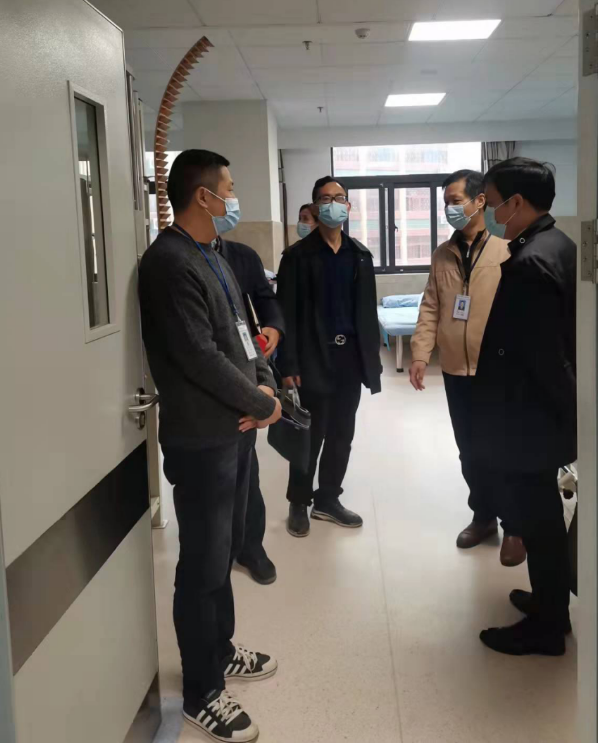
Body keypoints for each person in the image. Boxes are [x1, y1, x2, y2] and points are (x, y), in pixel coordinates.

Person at [138, 149, 282, 741]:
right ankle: (201, 690)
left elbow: (243, 333)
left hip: (236, 432)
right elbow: (199, 356)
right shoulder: (170, 263)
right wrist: (260, 403)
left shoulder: (214, 254)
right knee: (201, 563)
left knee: (222, 553)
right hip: (202, 441)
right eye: (230, 186)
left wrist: (266, 383)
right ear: (204, 196)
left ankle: (219, 651)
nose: (234, 196)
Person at [474, 157, 576, 656]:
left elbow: (544, 357)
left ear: (515, 202)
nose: (489, 213)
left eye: (492, 203)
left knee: (539, 520)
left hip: (530, 419)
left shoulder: (532, 263)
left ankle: (548, 629)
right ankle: (549, 603)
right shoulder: (559, 245)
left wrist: (572, 416)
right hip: (539, 416)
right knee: (543, 516)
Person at [410, 170, 526, 567]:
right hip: (456, 370)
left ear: (480, 202)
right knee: (470, 449)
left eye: (456, 201)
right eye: (446, 203)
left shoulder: (506, 252)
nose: (450, 209)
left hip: (497, 370)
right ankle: (483, 516)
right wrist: (420, 353)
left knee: (502, 448)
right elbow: (431, 305)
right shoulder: (442, 254)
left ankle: (515, 526)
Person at [277, 176, 382, 537]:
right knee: (309, 435)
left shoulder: (360, 256)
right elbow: (285, 315)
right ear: (315, 207)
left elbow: (367, 314)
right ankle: (298, 501)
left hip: (349, 359)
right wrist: (288, 365)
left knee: (341, 433)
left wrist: (371, 363)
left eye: (339, 198)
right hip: (312, 359)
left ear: (349, 207)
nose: (333, 204)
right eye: (325, 198)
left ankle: (327, 499)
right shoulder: (297, 257)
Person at [215, 234, 285, 585]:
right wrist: (266, 403)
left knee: (247, 475)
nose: (228, 207)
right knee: (215, 484)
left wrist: (274, 327)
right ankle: (219, 553)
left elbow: (262, 302)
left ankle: (250, 547)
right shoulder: (177, 260)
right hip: (210, 393)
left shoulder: (241, 256)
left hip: (247, 377)